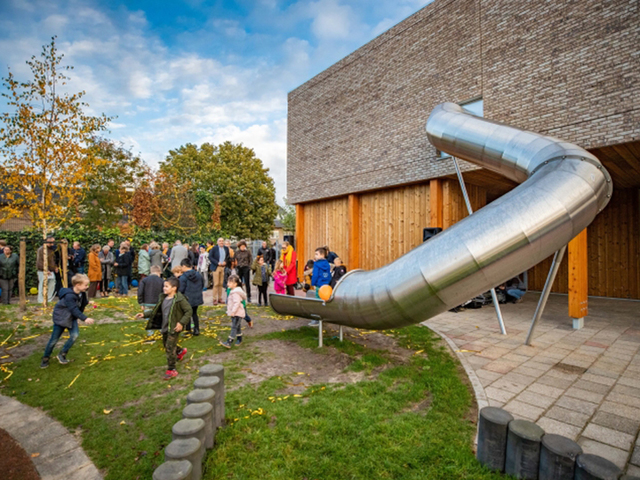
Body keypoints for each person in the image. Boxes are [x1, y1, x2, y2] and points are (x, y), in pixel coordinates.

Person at [136, 277, 189, 379]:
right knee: (166, 344)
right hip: (165, 326)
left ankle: (171, 369)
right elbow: (156, 310)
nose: (164, 288)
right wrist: (144, 314)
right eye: (164, 286)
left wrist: (181, 323)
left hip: (174, 328)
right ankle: (180, 351)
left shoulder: (179, 300)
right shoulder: (163, 298)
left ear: (174, 288)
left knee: (169, 348)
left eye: (166, 286)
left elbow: (188, 311)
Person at [40, 274, 95, 368]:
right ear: (78, 285)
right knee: (54, 340)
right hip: (61, 319)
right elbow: (73, 309)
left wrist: (88, 302)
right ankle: (45, 358)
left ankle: (62, 354)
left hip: (71, 318)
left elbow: (82, 301)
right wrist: (85, 318)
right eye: (85, 285)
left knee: (75, 335)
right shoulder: (69, 296)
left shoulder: (82, 293)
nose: (87, 287)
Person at [178, 259, 204, 335]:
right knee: (194, 313)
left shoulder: (183, 277)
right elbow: (202, 284)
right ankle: (196, 329)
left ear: (184, 266)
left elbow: (181, 289)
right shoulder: (198, 275)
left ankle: (188, 329)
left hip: (187, 298)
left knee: (187, 314)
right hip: (197, 297)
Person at [220, 275, 246, 348]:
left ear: (235, 284)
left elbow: (236, 303)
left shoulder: (235, 293)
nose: (228, 284)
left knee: (234, 327)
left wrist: (233, 312)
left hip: (237, 313)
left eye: (230, 282)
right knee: (237, 326)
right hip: (236, 312)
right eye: (228, 282)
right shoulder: (233, 291)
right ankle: (239, 339)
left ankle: (229, 341)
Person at [309, 247, 331, 326]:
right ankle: (325, 317)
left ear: (322, 255)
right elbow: (329, 275)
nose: (315, 256)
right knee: (324, 302)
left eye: (316, 254)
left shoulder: (317, 264)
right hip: (326, 285)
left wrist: (313, 284)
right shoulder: (327, 264)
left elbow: (315, 275)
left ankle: (317, 320)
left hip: (319, 285)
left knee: (317, 302)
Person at [208, 238, 229, 305]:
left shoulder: (226, 248)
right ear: (217, 242)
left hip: (223, 267)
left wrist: (226, 261)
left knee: (221, 283)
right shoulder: (214, 248)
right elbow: (210, 257)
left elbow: (228, 257)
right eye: (220, 241)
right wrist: (217, 262)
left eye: (222, 241)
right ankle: (214, 299)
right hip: (216, 267)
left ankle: (220, 298)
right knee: (216, 283)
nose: (221, 242)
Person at [36, 237, 57, 303]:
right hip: (43, 270)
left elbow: (53, 260)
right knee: (42, 284)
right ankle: (41, 300)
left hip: (51, 270)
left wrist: (55, 267)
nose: (53, 243)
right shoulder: (41, 249)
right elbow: (40, 261)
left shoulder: (52, 249)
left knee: (52, 283)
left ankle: (49, 299)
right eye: (51, 242)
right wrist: (45, 269)